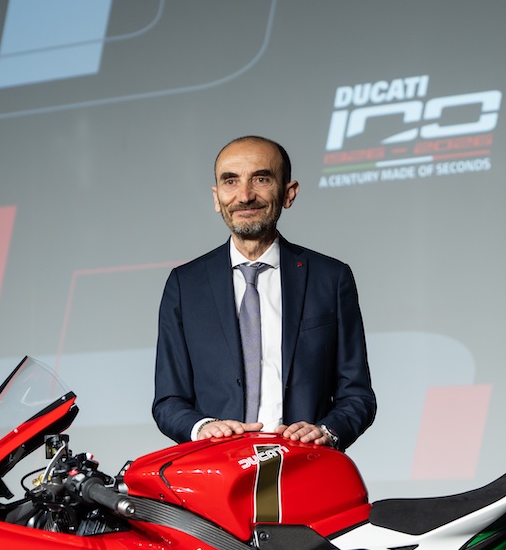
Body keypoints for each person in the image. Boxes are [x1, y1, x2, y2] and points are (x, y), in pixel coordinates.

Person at [152, 135, 376, 451]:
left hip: (304, 466)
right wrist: (203, 428)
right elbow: (168, 401)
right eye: (230, 181)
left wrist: (326, 431)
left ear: (288, 193)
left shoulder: (331, 278)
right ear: (217, 198)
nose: (244, 195)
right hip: (218, 468)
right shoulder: (185, 285)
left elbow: (357, 395)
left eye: (261, 179)